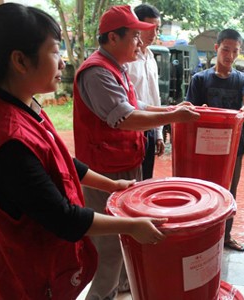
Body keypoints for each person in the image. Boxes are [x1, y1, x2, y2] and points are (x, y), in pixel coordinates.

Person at [0, 3, 168, 299]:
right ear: (20, 61)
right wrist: (132, 226)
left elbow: (58, 159)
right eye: (55, 51)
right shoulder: (9, 140)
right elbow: (64, 219)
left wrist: (112, 184)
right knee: (108, 253)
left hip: (40, 264)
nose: (63, 63)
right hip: (24, 276)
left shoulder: (24, 106)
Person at [72, 5, 200, 299]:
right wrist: (173, 118)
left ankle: (116, 288)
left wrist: (172, 109)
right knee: (109, 249)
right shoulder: (96, 72)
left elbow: (138, 105)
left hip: (123, 164)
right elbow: (125, 117)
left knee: (121, 240)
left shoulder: (117, 68)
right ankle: (100, 295)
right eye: (134, 37)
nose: (140, 43)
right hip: (105, 170)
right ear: (113, 38)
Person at [186, 29, 244, 252]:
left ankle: (225, 237)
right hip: (202, 147)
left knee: (229, 191)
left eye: (235, 51)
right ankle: (198, 235)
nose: (230, 55)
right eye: (226, 49)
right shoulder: (199, 79)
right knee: (201, 190)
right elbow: (188, 110)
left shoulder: (243, 79)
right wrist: (199, 111)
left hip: (232, 148)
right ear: (217, 49)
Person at [126, 4, 163, 180]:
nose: (154, 34)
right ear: (136, 26)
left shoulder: (151, 58)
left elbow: (155, 97)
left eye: (157, 29)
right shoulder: (125, 59)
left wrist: (158, 133)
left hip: (148, 129)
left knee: (146, 179)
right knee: (131, 181)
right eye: (150, 28)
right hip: (129, 131)